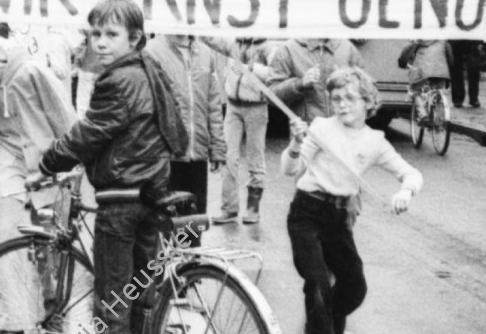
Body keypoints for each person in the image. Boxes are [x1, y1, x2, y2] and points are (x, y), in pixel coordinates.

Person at [38, 0, 188, 334]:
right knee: (144, 304)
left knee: (110, 312)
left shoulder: (116, 81)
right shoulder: (152, 71)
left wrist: (49, 161)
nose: (100, 43)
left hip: (121, 203)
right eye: (95, 34)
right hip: (154, 196)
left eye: (111, 35)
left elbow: (90, 132)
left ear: (134, 38)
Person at [282, 66, 423, 334]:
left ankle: (326, 320)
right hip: (307, 211)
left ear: (368, 102)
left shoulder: (375, 141)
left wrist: (405, 193)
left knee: (354, 285)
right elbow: (290, 171)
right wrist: (294, 145)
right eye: (336, 98)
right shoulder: (320, 127)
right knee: (317, 281)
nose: (342, 104)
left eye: (350, 98)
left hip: (339, 217)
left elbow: (411, 173)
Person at [0, 31, 77, 334]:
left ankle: (52, 292)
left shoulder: (31, 73)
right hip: (10, 162)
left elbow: (62, 115)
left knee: (51, 239)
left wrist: (74, 161)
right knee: (7, 237)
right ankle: (15, 323)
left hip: (50, 158)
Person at [144, 31, 225, 238]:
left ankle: (191, 267)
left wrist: (217, 147)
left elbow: (213, 104)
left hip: (197, 155)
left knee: (193, 222)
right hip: (167, 155)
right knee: (166, 224)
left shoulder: (206, 53)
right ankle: (164, 268)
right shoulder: (152, 51)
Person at [216, 37, 275, 224]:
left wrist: (251, 69)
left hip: (256, 107)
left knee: (255, 157)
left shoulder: (268, 47)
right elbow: (211, 39)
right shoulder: (233, 43)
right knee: (228, 156)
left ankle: (253, 208)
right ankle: (229, 208)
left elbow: (278, 73)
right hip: (233, 106)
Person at [267, 37, 364, 122]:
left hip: (343, 129)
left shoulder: (347, 47)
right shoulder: (288, 49)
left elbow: (366, 89)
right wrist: (300, 84)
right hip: (308, 133)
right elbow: (271, 95)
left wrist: (348, 81)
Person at [398, 39, 454, 111]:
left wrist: (402, 63)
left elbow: (406, 52)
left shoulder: (418, 39)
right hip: (440, 73)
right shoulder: (442, 39)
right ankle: (438, 113)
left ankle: (422, 114)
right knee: (438, 92)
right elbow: (450, 58)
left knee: (414, 91)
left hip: (421, 72)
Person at [448, 39, 483, 109]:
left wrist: (480, 42)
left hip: (473, 37)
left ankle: (474, 98)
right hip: (455, 37)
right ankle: (457, 99)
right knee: (455, 68)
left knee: (474, 67)